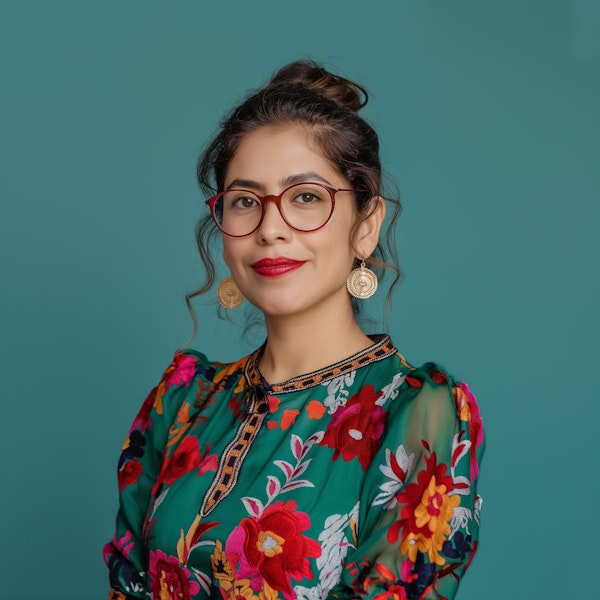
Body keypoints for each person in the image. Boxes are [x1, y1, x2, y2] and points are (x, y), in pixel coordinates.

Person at [104, 60, 485, 600]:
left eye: (306, 197)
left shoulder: (417, 411)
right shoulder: (181, 402)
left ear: (367, 225)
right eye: (245, 202)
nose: (271, 228)